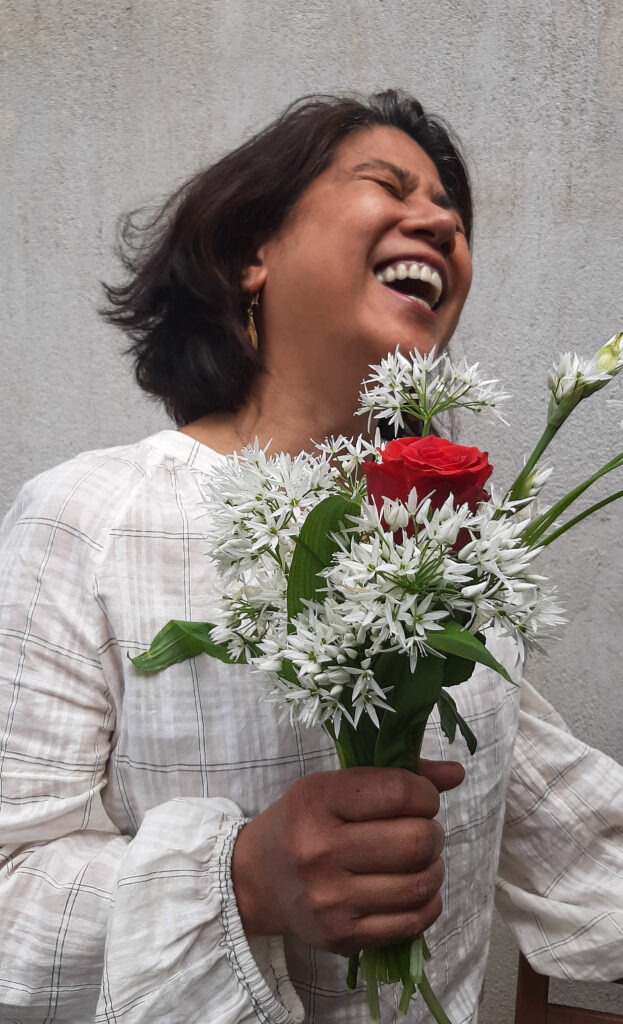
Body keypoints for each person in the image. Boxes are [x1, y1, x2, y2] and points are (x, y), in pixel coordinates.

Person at [0, 91, 621, 1024]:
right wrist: (244, 879)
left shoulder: (447, 550)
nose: (444, 219)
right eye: (388, 183)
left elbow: (574, 835)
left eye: (452, 210)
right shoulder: (89, 519)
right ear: (253, 251)